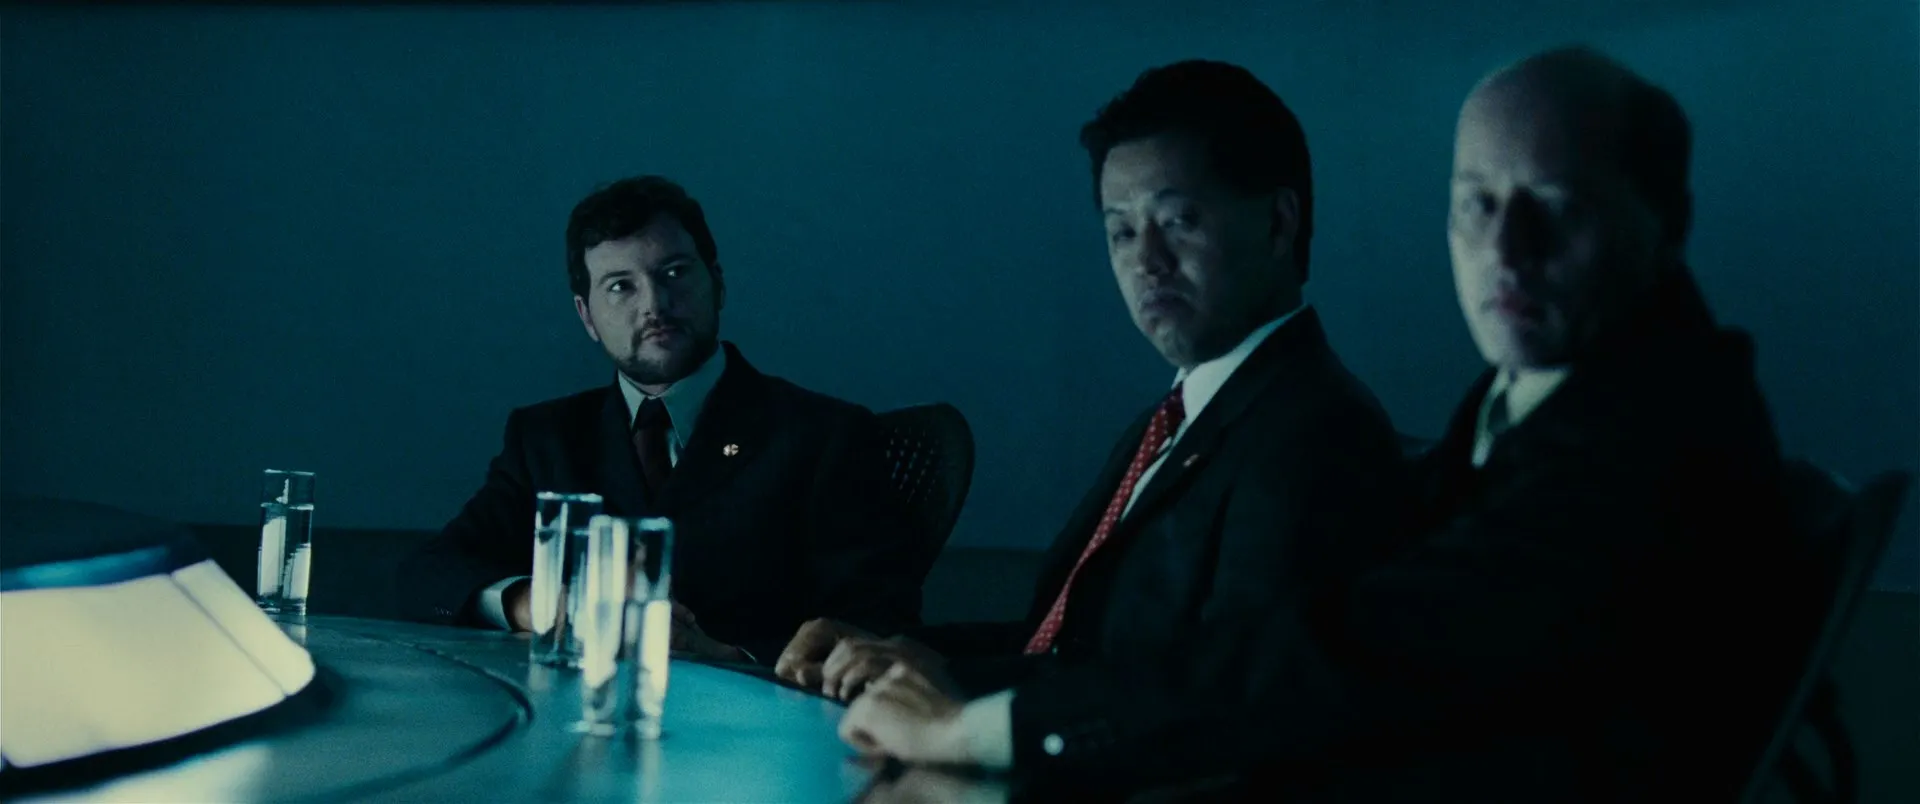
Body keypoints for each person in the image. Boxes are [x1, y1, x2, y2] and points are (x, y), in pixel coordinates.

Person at [836, 47, 1820, 801]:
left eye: (1554, 207)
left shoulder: (1647, 431)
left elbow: (1337, 652)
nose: (1505, 250)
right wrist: (943, 674)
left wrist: (985, 725)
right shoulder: (1541, 394)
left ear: (1665, 220)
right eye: (1475, 206)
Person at [778, 59, 1407, 717]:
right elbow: (1061, 647)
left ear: (1278, 224)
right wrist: (893, 652)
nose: (1146, 262)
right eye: (1121, 232)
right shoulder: (1170, 421)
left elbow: (1222, 696)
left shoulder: (1317, 431)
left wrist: (959, 687)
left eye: (1179, 221)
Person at [394, 176, 921, 664]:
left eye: (674, 273)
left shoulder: (825, 434)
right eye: (620, 286)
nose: (655, 304)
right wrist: (543, 603)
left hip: (755, 723)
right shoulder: (546, 438)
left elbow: (879, 627)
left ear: (717, 284)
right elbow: (428, 575)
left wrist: (724, 654)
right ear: (587, 317)